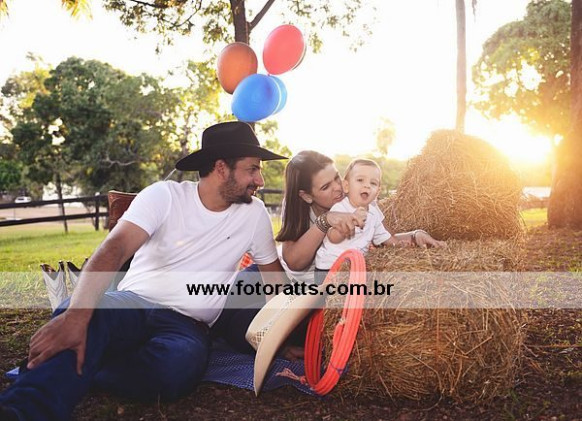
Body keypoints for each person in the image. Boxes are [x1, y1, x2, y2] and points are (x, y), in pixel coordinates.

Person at [0, 121, 288, 421]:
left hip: (186, 325)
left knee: (176, 369)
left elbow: (273, 278)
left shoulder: (254, 214)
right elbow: (114, 249)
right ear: (221, 167)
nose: (260, 179)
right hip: (132, 302)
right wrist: (76, 315)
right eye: (252, 169)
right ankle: (22, 411)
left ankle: (86, 364)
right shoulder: (165, 195)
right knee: (81, 316)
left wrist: (280, 336)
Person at [276, 151, 445, 285]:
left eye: (337, 177)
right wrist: (325, 221)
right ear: (306, 196)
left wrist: (414, 235)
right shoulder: (296, 206)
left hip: (347, 275)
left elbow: (385, 238)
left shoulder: (359, 197)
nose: (338, 188)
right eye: (326, 187)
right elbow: (295, 262)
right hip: (307, 282)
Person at [315, 158, 393, 273]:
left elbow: (384, 237)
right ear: (346, 186)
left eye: (373, 183)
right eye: (360, 180)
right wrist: (350, 222)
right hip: (330, 266)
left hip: (354, 266)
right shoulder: (341, 208)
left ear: (377, 192)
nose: (367, 186)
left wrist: (401, 244)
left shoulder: (374, 213)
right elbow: (333, 237)